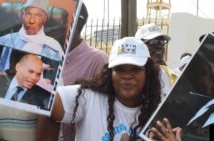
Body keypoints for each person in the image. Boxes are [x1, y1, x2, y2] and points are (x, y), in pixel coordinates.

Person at [35, 37, 164, 141]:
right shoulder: (87, 98)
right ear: (110, 72)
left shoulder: (159, 113)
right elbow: (47, 100)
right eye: (119, 69)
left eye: (136, 69)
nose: (127, 76)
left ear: (147, 72)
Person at [36, 3, 109, 141]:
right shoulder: (38, 56)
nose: (48, 24)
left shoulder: (98, 61)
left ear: (79, 23)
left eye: (56, 18)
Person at [0, 54, 51, 141]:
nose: (34, 78)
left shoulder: (45, 97)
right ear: (18, 67)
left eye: (38, 74)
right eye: (31, 71)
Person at [0, 0, 64, 72]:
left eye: (38, 15)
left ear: (44, 19)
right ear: (22, 16)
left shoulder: (53, 48)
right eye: (28, 14)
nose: (31, 21)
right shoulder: (3, 41)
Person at [135, 23, 177, 99]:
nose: (159, 45)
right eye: (153, 42)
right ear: (139, 45)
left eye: (162, 42)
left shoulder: (169, 74)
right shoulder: (132, 76)